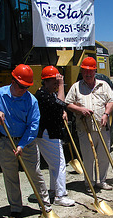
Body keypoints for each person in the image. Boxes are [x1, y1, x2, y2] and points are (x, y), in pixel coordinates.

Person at [0, 64, 51, 218]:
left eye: (27, 87)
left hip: (26, 142)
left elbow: (33, 127)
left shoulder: (31, 100)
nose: (23, 90)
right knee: (10, 175)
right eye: (21, 86)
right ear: (13, 81)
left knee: (35, 173)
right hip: (6, 142)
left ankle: (46, 206)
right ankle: (15, 208)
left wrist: (21, 145)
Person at [65, 57, 113, 192]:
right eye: (85, 71)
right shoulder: (76, 87)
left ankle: (102, 181)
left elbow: (111, 101)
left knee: (104, 156)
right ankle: (89, 183)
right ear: (82, 71)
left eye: (90, 71)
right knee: (88, 158)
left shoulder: (103, 85)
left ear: (95, 71)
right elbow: (68, 103)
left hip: (103, 128)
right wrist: (80, 110)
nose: (88, 74)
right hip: (85, 129)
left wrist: (106, 114)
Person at [35, 66, 75, 207]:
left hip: (52, 132)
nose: (55, 85)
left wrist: (62, 112)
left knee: (54, 164)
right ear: (45, 82)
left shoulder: (48, 93)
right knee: (59, 164)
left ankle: (53, 190)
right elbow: (60, 104)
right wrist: (61, 86)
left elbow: (58, 107)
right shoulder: (42, 95)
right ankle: (60, 195)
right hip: (47, 133)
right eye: (54, 83)